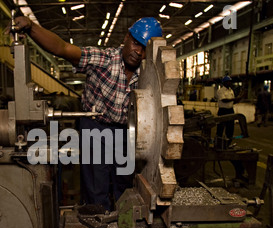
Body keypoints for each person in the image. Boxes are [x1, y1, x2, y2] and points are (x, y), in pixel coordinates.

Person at [10, 15, 162, 211]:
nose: (138, 51)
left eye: (144, 48)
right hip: (95, 127)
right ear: (126, 37)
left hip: (127, 131)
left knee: (124, 185)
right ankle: (98, 223)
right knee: (96, 187)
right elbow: (62, 48)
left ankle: (124, 225)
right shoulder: (103, 60)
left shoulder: (147, 74)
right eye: (135, 43)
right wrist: (31, 27)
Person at [215, 76, 243, 147]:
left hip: (230, 110)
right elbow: (224, 100)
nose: (230, 83)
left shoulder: (231, 91)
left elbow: (232, 102)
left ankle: (227, 144)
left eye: (230, 81)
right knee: (220, 128)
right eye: (228, 82)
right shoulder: (220, 91)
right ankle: (218, 144)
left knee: (230, 128)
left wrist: (239, 99)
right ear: (224, 83)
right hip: (223, 111)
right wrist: (234, 99)